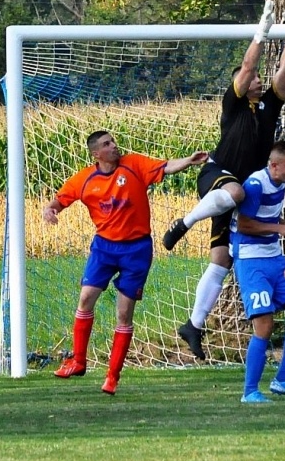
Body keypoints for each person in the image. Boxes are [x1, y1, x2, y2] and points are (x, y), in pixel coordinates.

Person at [164, 0, 285, 360]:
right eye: (253, 78)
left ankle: (194, 325)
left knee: (221, 258)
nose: (258, 79)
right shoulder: (232, 104)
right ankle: (183, 223)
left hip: (241, 191)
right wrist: (262, 31)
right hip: (219, 177)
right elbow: (248, 66)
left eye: (260, 78)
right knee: (233, 191)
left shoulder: (270, 105)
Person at [43, 130, 207, 394]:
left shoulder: (134, 164)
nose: (114, 146)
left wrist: (188, 160)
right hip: (104, 248)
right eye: (107, 144)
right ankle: (78, 362)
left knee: (123, 313)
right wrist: (50, 209)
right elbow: (60, 200)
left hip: (136, 250)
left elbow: (166, 166)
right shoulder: (85, 179)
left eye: (113, 141)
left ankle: (112, 376)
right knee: (85, 298)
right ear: (96, 153)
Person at [230, 141, 285, 404]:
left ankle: (284, 379)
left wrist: (283, 224)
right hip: (251, 262)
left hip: (275, 259)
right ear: (274, 165)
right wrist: (280, 229)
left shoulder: (281, 183)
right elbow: (244, 224)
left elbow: (265, 217)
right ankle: (250, 392)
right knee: (264, 325)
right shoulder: (255, 185)